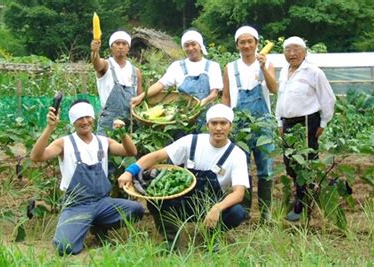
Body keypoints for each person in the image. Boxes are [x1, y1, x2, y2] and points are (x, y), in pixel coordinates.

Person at [118, 104, 249, 249]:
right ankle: (171, 240)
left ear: (230, 126)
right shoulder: (192, 141)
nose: (218, 128)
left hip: (210, 204)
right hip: (182, 202)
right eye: (214, 123)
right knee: (156, 200)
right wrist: (130, 171)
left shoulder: (236, 155)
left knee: (237, 212)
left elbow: (239, 192)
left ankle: (210, 235)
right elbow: (157, 156)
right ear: (207, 125)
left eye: (223, 123)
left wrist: (217, 208)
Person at [30, 99, 144, 255]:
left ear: (93, 118)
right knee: (64, 248)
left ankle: (97, 225)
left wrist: (122, 134)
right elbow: (36, 156)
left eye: (87, 117)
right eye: (79, 118)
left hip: (102, 202)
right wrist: (50, 128)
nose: (85, 121)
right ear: (73, 122)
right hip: (77, 205)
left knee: (136, 210)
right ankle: (84, 223)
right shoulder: (64, 143)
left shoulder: (103, 142)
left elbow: (131, 152)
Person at [275, 36, 336, 222]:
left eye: (296, 49)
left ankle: (302, 202)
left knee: (305, 162)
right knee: (290, 162)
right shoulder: (284, 71)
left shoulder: (314, 72)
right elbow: (281, 97)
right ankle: (306, 192)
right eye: (288, 50)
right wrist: (279, 121)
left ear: (305, 52)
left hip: (307, 121)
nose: (292, 54)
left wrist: (323, 123)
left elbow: (328, 99)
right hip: (288, 123)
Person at [222, 26, 278, 222]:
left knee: (266, 169)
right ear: (237, 45)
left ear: (256, 43)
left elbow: (274, 89)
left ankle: (266, 213)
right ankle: (243, 211)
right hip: (240, 125)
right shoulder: (230, 67)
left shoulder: (267, 63)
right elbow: (226, 97)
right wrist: (225, 120)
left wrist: (263, 68)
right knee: (241, 168)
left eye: (250, 41)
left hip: (264, 124)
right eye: (242, 42)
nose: (246, 45)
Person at [131, 29, 222, 130]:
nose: (190, 48)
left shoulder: (212, 66)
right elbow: (160, 84)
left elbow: (214, 94)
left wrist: (201, 103)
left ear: (200, 45)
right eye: (186, 45)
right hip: (182, 118)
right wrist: (141, 97)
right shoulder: (177, 66)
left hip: (206, 118)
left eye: (193, 44)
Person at [91, 30, 143, 136]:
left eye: (124, 44)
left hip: (129, 123)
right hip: (108, 122)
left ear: (128, 48)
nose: (120, 47)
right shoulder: (106, 65)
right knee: (104, 150)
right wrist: (94, 52)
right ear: (111, 47)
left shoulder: (136, 72)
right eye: (117, 43)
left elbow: (139, 98)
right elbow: (96, 64)